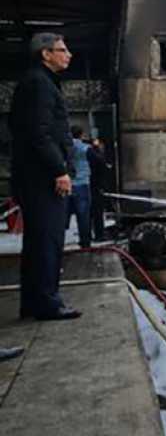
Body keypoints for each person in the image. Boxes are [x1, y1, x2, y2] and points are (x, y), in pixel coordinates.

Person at [9, 33, 82, 320]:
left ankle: (34, 302)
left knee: (37, 242)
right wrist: (59, 170)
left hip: (33, 176)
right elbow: (39, 134)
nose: (69, 55)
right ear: (45, 54)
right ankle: (48, 303)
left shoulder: (37, 83)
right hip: (42, 178)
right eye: (62, 50)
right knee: (48, 241)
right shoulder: (40, 85)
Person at [66, 126, 92, 248]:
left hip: (68, 184)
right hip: (82, 184)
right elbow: (98, 160)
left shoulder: (65, 147)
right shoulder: (85, 148)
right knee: (83, 216)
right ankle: (85, 242)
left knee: (62, 215)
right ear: (81, 134)